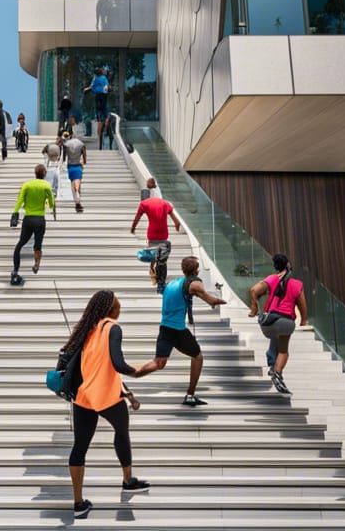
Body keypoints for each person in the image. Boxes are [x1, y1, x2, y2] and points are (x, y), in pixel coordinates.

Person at [62, 288, 150, 520]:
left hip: (84, 396)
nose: (120, 307)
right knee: (122, 433)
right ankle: (128, 480)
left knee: (79, 447)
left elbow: (100, 368)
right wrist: (139, 372)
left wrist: (128, 393)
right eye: (118, 304)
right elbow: (118, 364)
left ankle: (78, 502)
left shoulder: (87, 330)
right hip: (106, 397)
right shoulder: (112, 327)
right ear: (111, 308)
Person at [137, 255, 225, 406]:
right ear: (196, 270)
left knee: (159, 363)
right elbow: (202, 293)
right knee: (198, 357)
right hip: (177, 330)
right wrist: (218, 300)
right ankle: (190, 395)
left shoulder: (173, 283)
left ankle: (131, 372)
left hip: (165, 328)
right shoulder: (193, 282)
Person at [249, 253, 308, 396]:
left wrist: (254, 308)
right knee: (283, 350)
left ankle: (271, 363)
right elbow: (302, 305)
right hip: (285, 322)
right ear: (288, 265)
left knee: (275, 336)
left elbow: (253, 290)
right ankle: (277, 372)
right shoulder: (296, 284)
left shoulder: (272, 279)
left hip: (267, 323)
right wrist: (303, 320)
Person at [10, 163, 55, 286]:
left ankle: (15, 269)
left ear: (35, 173)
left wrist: (15, 213)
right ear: (44, 174)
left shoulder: (27, 185)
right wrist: (50, 204)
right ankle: (36, 263)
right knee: (38, 245)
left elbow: (20, 200)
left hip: (28, 219)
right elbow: (51, 202)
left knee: (20, 244)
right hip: (40, 219)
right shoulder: (46, 185)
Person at [130, 188, 181, 291]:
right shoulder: (165, 203)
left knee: (154, 256)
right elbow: (177, 221)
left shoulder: (143, 204)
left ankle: (154, 274)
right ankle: (161, 284)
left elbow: (137, 218)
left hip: (152, 235)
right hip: (163, 234)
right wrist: (177, 227)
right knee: (162, 261)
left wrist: (133, 228)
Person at [83, 67, 110, 149]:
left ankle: (102, 119)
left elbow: (92, 86)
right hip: (102, 95)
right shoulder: (102, 78)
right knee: (102, 109)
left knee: (100, 111)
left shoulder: (97, 78)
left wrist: (87, 89)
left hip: (99, 95)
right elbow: (105, 85)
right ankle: (103, 119)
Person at [61, 129, 87, 213]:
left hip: (70, 167)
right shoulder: (81, 144)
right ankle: (78, 202)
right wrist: (84, 162)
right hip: (78, 167)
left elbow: (64, 157)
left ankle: (77, 202)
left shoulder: (67, 144)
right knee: (78, 186)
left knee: (73, 185)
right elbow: (84, 156)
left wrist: (63, 161)